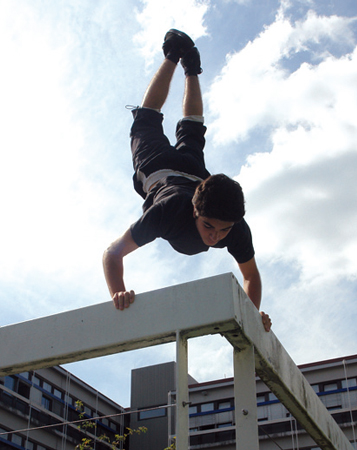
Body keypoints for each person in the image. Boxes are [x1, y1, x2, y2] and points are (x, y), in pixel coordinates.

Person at [103, 29, 271, 332]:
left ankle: (191, 66)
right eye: (210, 226)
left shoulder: (235, 227)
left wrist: (250, 313)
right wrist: (117, 291)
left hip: (195, 174)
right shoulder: (168, 211)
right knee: (148, 117)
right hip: (159, 169)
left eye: (223, 230)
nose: (216, 236)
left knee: (192, 129)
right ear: (195, 211)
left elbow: (251, 276)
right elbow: (112, 253)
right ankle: (173, 55)